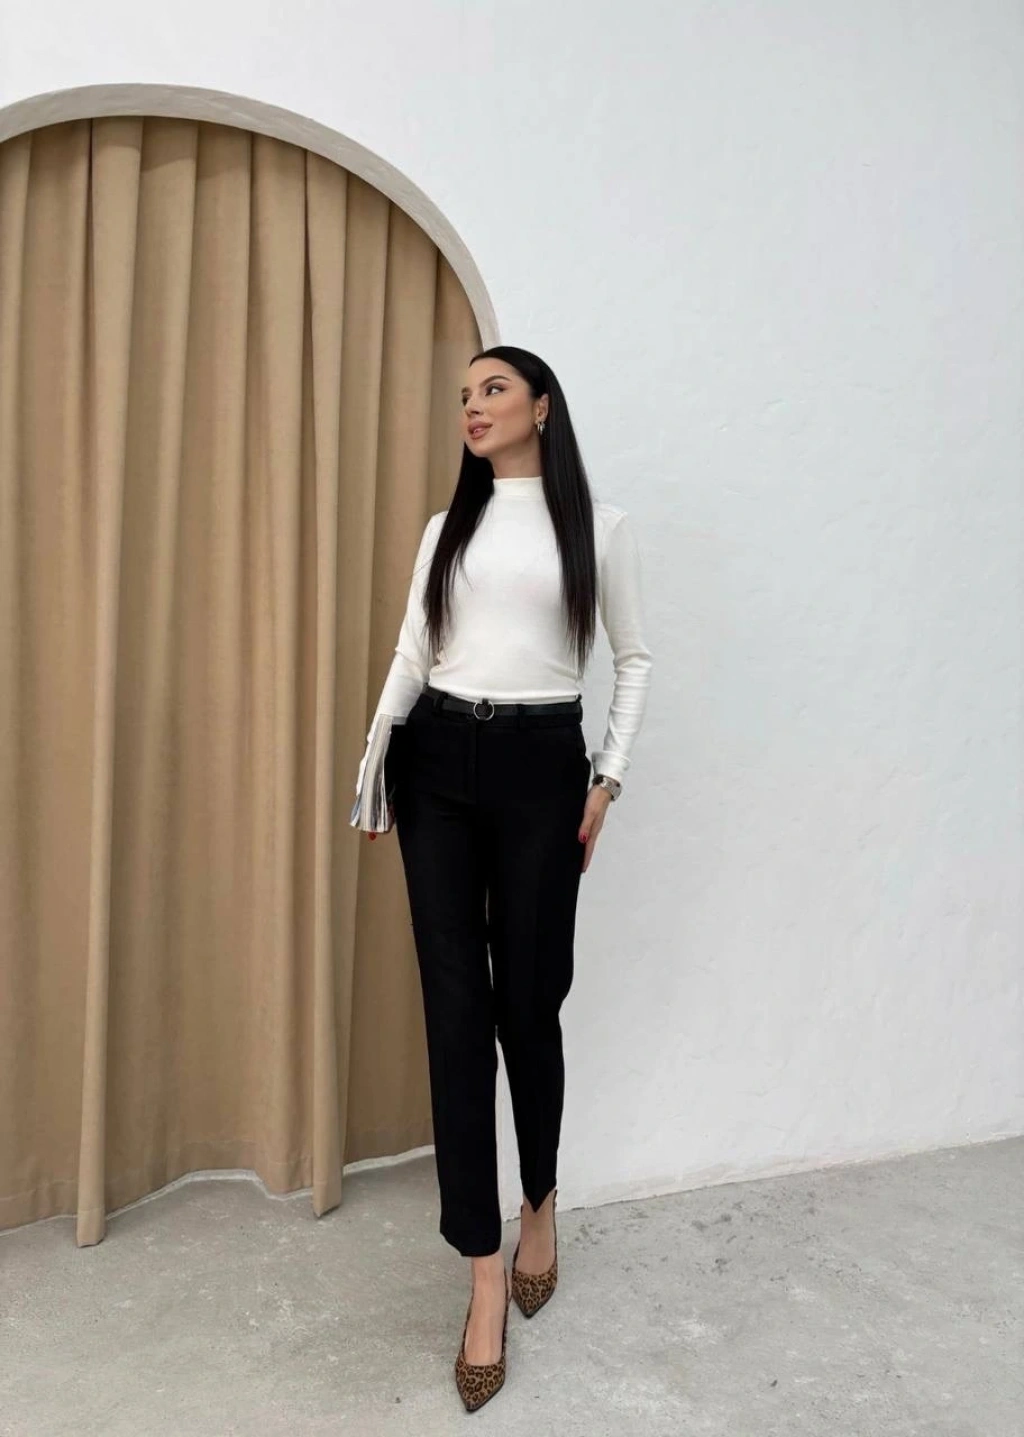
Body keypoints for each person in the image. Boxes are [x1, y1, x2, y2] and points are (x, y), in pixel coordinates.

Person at [350, 344, 652, 1411]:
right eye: (464, 396)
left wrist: (607, 777)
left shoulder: (596, 529)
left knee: (529, 1004)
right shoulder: (449, 527)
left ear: (542, 408)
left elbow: (634, 656)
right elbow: (412, 649)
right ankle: (482, 1273)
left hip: (539, 765)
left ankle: (540, 1204)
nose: (473, 408)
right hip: (436, 760)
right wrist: (376, 758)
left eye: (493, 390)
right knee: (455, 1014)